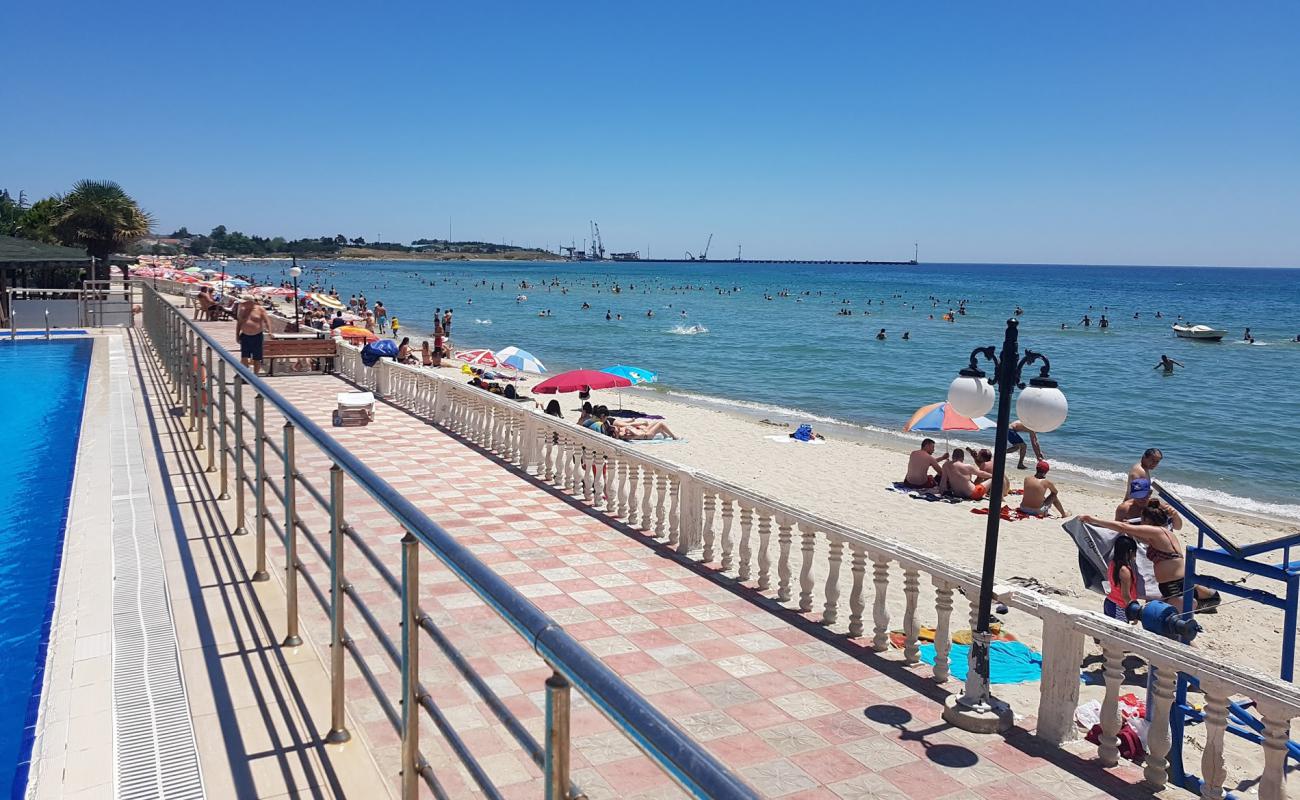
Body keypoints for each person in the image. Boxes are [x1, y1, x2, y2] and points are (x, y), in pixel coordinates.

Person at [1080, 507, 1219, 611]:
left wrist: (1093, 520)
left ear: (1148, 521)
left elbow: (1122, 527)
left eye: (1142, 520)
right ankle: (1205, 598)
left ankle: (1209, 596)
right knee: (1171, 623)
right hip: (1168, 586)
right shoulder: (1159, 535)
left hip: (1177, 584)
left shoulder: (1158, 532)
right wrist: (1129, 529)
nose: (1140, 523)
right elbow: (1133, 533)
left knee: (1174, 627)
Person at [1104, 535, 1140, 622]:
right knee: (1118, 633)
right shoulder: (1124, 570)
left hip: (1110, 601)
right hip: (1120, 606)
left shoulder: (1113, 563)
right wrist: (1134, 612)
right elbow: (1125, 595)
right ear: (1130, 552)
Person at [235, 296, 269, 373]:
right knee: (244, 357)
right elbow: (239, 323)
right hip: (245, 335)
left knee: (257, 358)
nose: (242, 304)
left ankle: (255, 375)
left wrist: (269, 331)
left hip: (257, 336)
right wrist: (237, 335)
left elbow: (267, 321)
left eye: (244, 303)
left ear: (250, 302)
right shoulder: (242, 310)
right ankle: (245, 374)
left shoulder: (260, 309)